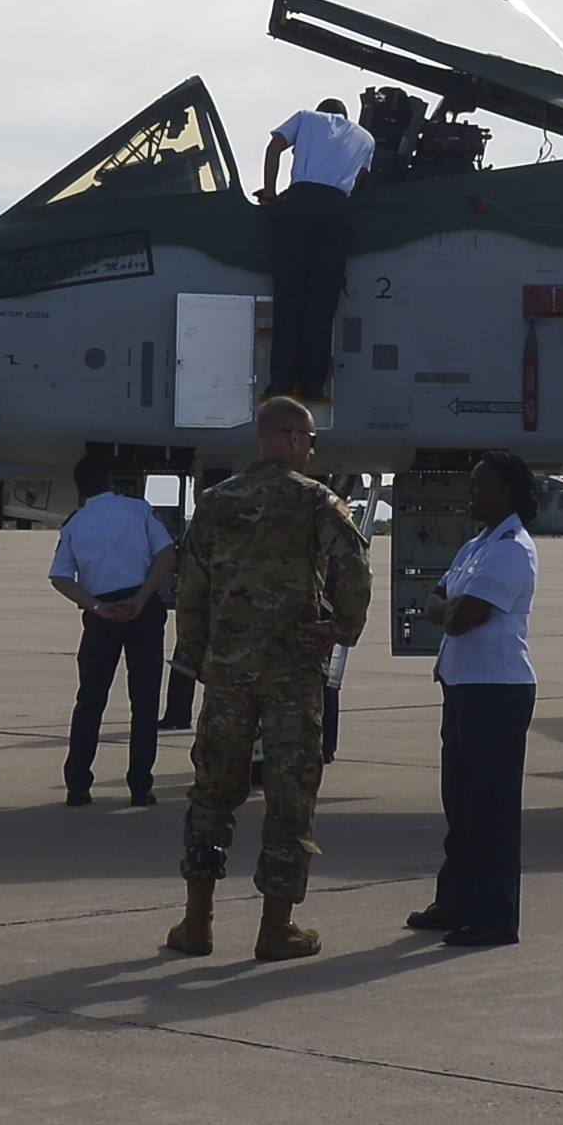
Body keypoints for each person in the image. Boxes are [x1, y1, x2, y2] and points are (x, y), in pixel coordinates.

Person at [163, 395, 370, 962]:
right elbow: (353, 566)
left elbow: (192, 590)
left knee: (212, 789)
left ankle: (197, 921)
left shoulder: (215, 502)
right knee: (289, 793)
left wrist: (198, 657)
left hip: (228, 672)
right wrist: (342, 628)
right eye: (308, 440)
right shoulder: (315, 501)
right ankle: (276, 927)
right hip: (292, 672)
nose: (310, 449)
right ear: (292, 438)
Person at [406, 451, 540, 950]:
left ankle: (495, 915)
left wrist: (447, 609)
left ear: (504, 493)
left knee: (492, 810)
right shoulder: (477, 547)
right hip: (463, 685)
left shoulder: (511, 550)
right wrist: (447, 608)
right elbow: (436, 600)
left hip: (496, 690)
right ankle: (457, 901)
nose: (469, 494)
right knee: (461, 805)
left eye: (479, 486)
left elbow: (458, 617)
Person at [46, 453, 178, 808]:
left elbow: (59, 576)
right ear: (110, 481)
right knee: (145, 701)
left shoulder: (75, 523)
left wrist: (98, 607)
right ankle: (139, 786)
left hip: (101, 614)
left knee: (90, 700)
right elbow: (166, 554)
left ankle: (77, 784)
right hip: (143, 608)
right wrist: (141, 598)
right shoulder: (137, 510)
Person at [256, 94, 376, 404]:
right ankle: (313, 384)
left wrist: (270, 195)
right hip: (338, 211)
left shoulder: (306, 118)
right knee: (322, 305)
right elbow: (359, 179)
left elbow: (274, 147)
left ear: (322, 112)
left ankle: (281, 383)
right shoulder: (365, 137)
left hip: (300, 205)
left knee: (289, 298)